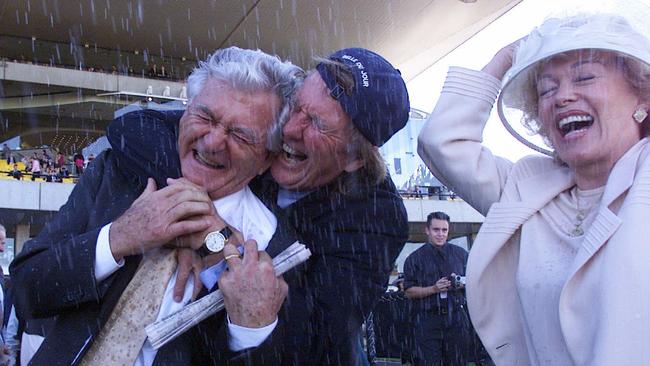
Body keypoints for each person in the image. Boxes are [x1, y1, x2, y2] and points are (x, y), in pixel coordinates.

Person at [107, 47, 411, 365]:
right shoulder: (260, 134)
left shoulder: (377, 219)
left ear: (355, 158)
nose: (290, 130)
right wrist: (196, 210)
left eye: (318, 125)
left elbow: (314, 333)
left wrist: (220, 246)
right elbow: (134, 128)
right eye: (296, 107)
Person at [10, 47, 301, 366]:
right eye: (205, 116)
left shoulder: (276, 248)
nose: (212, 142)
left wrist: (251, 328)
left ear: (266, 159)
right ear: (184, 113)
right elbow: (27, 290)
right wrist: (120, 236)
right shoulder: (119, 173)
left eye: (240, 136)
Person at [418, 12, 650, 365]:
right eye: (547, 88)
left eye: (585, 77)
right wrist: (506, 57)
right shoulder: (526, 188)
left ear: (642, 97)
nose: (562, 97)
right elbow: (441, 142)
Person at [403, 212, 470, 366]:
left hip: (456, 319)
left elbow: (474, 281)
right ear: (427, 230)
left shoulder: (461, 255)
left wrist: (462, 283)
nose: (440, 234)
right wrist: (433, 289)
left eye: (444, 230)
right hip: (427, 320)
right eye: (436, 230)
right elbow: (408, 291)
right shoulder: (414, 259)